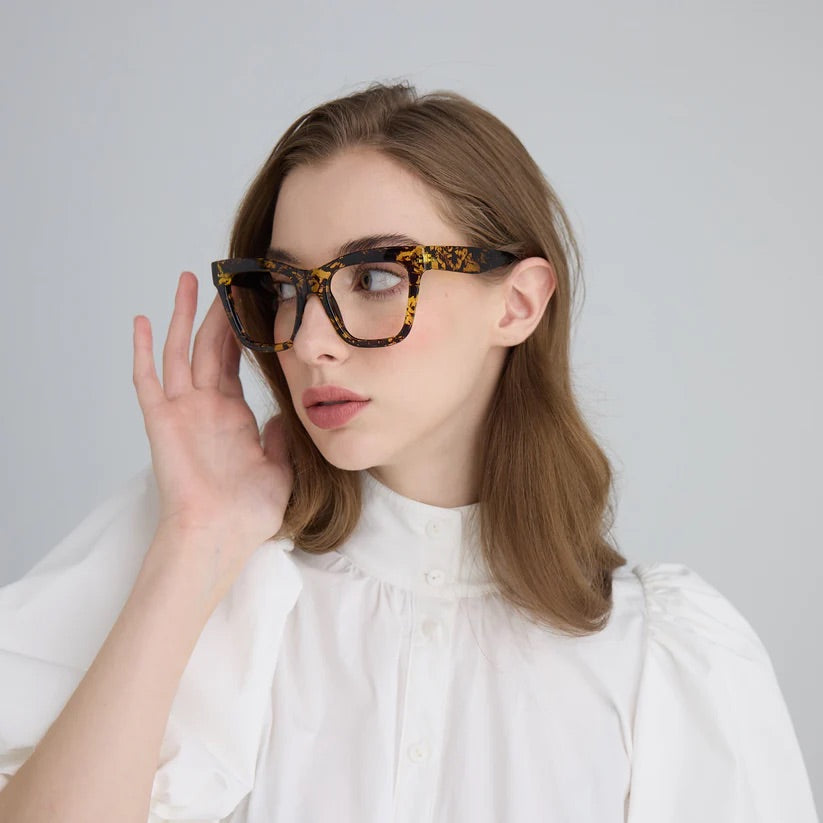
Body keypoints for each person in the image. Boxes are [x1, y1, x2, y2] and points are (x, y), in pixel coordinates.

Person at [0, 81, 817, 823]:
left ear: (518, 303)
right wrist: (193, 541)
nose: (310, 341)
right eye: (286, 289)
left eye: (378, 278)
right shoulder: (209, 567)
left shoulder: (662, 658)